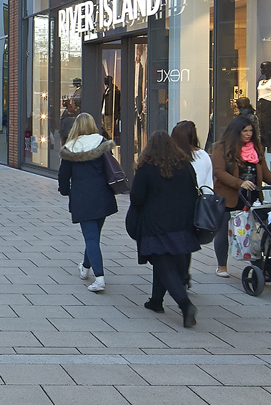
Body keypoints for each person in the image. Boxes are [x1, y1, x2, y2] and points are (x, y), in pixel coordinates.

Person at [128, 129, 200, 327]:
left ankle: (185, 305)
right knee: (165, 263)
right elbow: (194, 192)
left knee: (164, 264)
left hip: (156, 225)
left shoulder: (147, 167)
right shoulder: (185, 165)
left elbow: (137, 198)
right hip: (182, 224)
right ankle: (156, 301)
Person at [210, 114, 271, 278]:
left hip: (250, 195)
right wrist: (239, 182)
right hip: (228, 196)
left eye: (250, 131)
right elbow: (218, 172)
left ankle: (258, 265)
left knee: (253, 232)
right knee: (223, 231)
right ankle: (222, 266)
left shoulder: (255, 147)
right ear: (236, 132)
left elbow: (263, 167)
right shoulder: (220, 147)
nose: (248, 134)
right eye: (245, 131)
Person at [57, 113, 116, 293]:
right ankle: (84, 267)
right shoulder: (102, 143)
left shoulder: (70, 148)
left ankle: (99, 278)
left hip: (82, 198)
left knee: (91, 238)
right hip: (103, 196)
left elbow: (63, 176)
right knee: (94, 237)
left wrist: (65, 191)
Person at [171, 121, 213, 289]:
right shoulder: (203, 156)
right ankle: (184, 275)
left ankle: (174, 273)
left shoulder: (172, 157)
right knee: (186, 242)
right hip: (195, 205)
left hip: (174, 205)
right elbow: (209, 185)